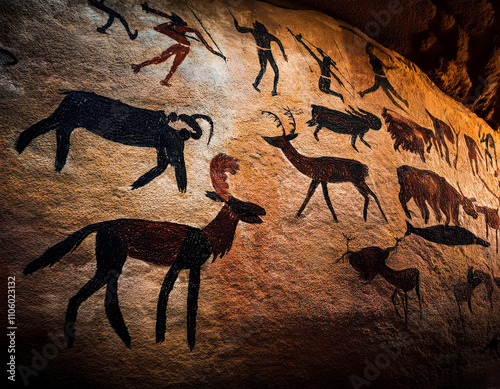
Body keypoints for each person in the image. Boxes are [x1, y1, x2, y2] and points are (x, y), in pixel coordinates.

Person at [132, 3, 224, 86]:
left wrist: (206, 45)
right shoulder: (170, 28)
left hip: (184, 48)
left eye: (178, 25)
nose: (178, 27)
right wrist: (151, 10)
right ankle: (140, 66)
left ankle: (165, 80)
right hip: (178, 46)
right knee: (160, 59)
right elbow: (159, 25)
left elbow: (196, 31)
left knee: (174, 65)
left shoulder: (182, 28)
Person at [232, 16, 287, 96]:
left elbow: (239, 29)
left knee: (264, 69)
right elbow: (278, 41)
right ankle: (272, 90)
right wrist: (283, 54)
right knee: (274, 70)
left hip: (261, 51)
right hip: (266, 52)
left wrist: (236, 23)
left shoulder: (255, 32)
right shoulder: (266, 35)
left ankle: (258, 85)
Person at [294, 33, 344, 102]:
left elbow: (311, 53)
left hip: (323, 79)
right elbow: (327, 60)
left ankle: (338, 95)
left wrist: (301, 41)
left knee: (322, 89)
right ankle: (338, 95)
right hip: (328, 79)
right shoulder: (329, 65)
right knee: (326, 90)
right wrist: (322, 53)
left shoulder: (322, 64)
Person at [359, 43, 408, 110]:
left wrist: (393, 67)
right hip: (380, 77)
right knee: (390, 91)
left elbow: (385, 66)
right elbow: (380, 67)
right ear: (368, 51)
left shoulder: (374, 58)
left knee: (385, 90)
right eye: (370, 50)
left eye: (372, 50)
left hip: (381, 77)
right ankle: (403, 101)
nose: (372, 51)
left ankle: (403, 101)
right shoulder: (371, 59)